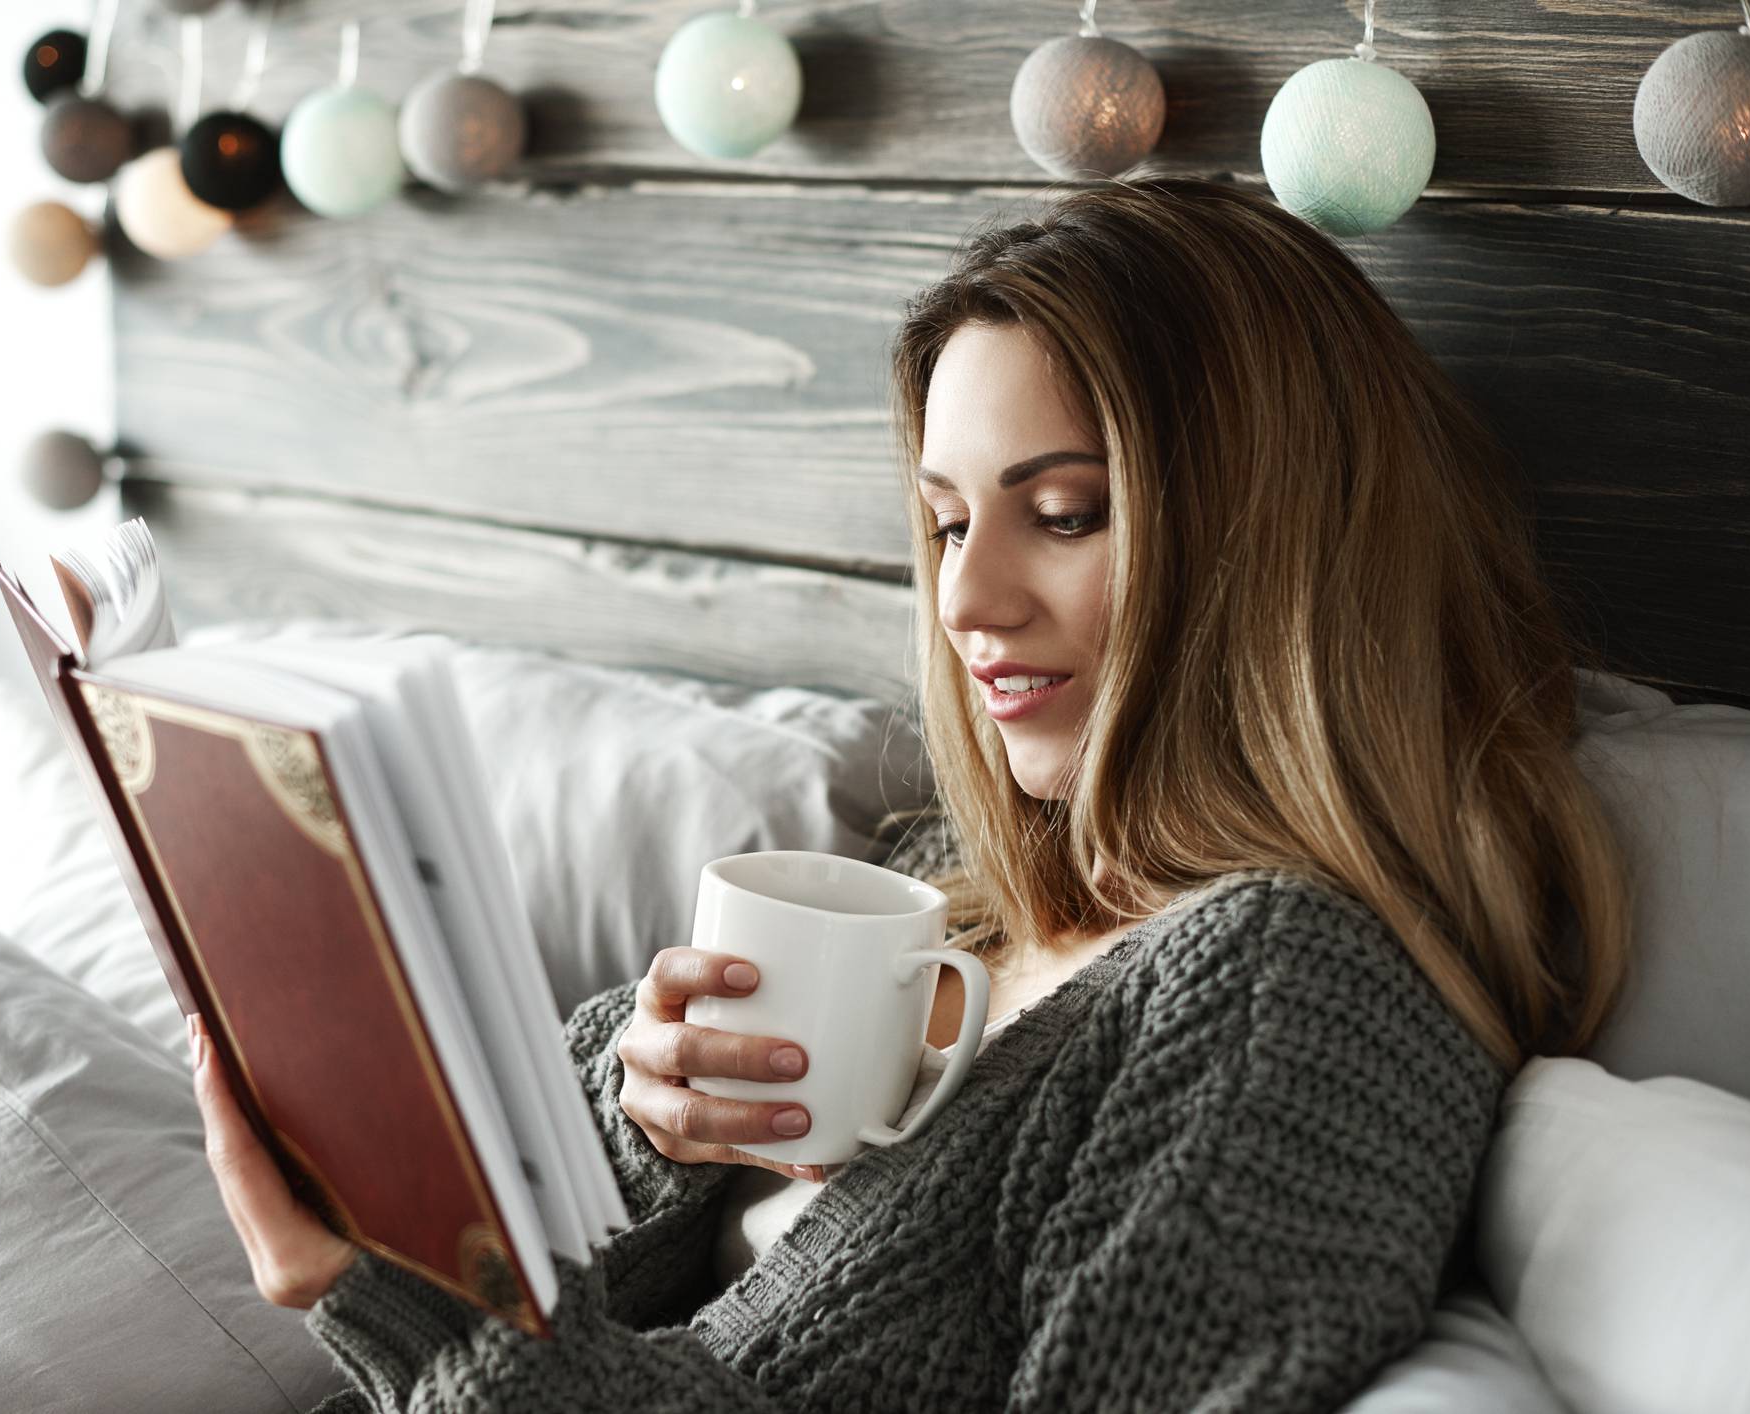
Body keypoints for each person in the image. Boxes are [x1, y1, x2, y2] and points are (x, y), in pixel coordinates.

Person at [189, 176, 1635, 1411]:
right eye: (946, 520)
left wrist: (399, 1301)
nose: (966, 597)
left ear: (1276, 545)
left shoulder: (1291, 1002)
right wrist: (654, 1124)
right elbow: (608, 1283)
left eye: (1063, 514)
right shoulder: (972, 905)